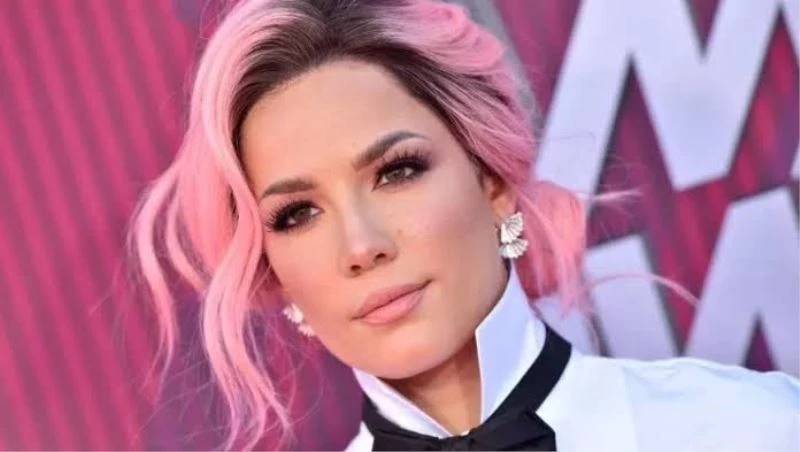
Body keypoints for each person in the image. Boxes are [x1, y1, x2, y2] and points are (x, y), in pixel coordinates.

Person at [128, 0, 800, 450]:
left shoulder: (747, 430)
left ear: (492, 182)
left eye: (397, 171)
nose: (362, 245)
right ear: (273, 270)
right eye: (297, 214)